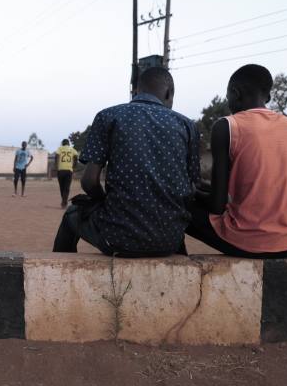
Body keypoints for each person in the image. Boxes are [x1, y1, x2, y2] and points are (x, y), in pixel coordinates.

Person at [52, 67, 199, 257]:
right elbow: (191, 188)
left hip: (118, 238)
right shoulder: (187, 125)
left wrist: (103, 201)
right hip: (170, 239)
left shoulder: (108, 116)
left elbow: (89, 182)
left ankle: (63, 277)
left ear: (136, 91)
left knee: (71, 215)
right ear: (169, 93)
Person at [186, 64, 287, 258]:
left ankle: (176, 261)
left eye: (228, 97)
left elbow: (217, 206)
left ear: (235, 93)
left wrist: (193, 193)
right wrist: (204, 190)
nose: (229, 103)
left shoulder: (227, 126)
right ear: (267, 97)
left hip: (250, 242)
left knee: (174, 207)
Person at [54, 139, 79, 208]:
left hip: (60, 170)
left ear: (62, 143)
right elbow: (76, 156)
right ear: (68, 143)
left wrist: (56, 167)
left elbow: (56, 156)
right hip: (69, 170)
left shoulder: (60, 148)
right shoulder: (72, 149)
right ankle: (64, 202)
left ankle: (64, 202)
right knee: (67, 188)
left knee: (62, 187)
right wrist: (74, 166)